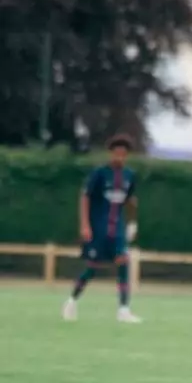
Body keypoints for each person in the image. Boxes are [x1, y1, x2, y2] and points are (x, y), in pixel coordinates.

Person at [62, 134, 142, 323]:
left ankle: (123, 309)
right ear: (111, 153)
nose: (120, 158)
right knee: (93, 268)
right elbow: (85, 197)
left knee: (123, 263)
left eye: (123, 154)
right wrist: (84, 224)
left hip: (118, 229)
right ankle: (72, 301)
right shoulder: (99, 173)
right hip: (99, 228)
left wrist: (132, 223)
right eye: (117, 154)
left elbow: (131, 200)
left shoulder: (129, 175)